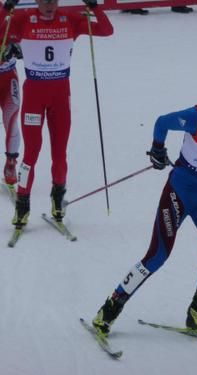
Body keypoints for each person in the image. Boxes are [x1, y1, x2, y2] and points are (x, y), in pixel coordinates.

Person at [92, 72, 197, 336]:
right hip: (180, 193)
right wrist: (158, 149)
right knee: (158, 255)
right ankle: (113, 304)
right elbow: (162, 122)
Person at [0, 0, 113, 228]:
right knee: (31, 154)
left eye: (53, 0)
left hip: (61, 98)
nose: (49, 5)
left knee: (59, 153)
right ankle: (23, 205)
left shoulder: (69, 18)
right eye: (44, 0)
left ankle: (58, 199)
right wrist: (5, 10)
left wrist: (95, 8)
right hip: (34, 96)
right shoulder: (24, 19)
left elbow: (106, 30)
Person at [0, 42, 22, 189]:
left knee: (12, 121)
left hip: (7, 78)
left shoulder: (13, 18)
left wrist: (19, 47)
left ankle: (11, 164)